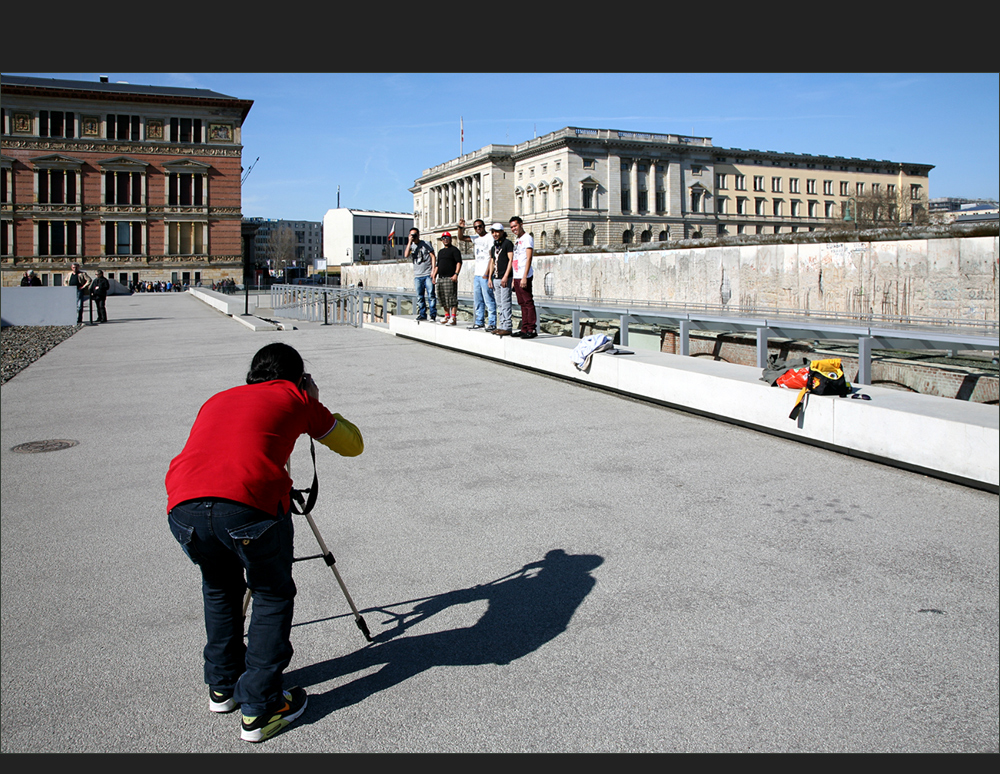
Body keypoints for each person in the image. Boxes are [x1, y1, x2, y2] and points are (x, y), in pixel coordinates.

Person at [165, 342, 364, 743]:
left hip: (183, 506)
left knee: (220, 588)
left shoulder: (217, 398)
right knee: (271, 594)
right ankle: (261, 708)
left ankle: (223, 687)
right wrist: (315, 402)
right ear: (298, 376)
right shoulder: (296, 397)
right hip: (248, 505)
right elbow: (352, 444)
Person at [458, 218, 496, 331]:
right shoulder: (476, 238)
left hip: (485, 274)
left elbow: (492, 258)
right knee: (478, 299)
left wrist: (487, 274)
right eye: (475, 227)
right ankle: (479, 321)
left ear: (484, 226)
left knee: (488, 299)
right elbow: (461, 238)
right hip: (477, 274)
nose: (478, 229)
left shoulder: (489, 238)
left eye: (480, 226)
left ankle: (492, 322)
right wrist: (460, 228)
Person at [509, 216, 537, 338]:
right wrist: (514, 278)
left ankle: (531, 329)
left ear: (521, 224)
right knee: (521, 303)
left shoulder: (527, 238)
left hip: (524, 275)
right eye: (511, 227)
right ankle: (524, 327)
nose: (513, 229)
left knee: (527, 301)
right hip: (517, 275)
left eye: (515, 226)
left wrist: (525, 276)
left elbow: (528, 257)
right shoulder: (517, 240)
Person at [487, 224, 515, 337]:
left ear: (502, 232)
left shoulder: (507, 244)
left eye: (497, 232)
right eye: (493, 232)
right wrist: (490, 277)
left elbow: (511, 260)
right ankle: (502, 325)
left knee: (505, 302)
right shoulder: (494, 247)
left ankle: (507, 326)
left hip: (505, 278)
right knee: (499, 303)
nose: (495, 234)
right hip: (496, 278)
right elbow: (492, 262)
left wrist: (506, 276)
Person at [404, 227, 437, 322]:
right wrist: (409, 241)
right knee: (420, 296)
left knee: (431, 295)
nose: (413, 236)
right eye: (411, 235)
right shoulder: (411, 245)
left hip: (427, 273)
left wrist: (433, 270)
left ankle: (433, 314)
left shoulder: (426, 244)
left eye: (415, 235)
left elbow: (433, 256)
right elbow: (406, 255)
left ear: (418, 235)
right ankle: (422, 314)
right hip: (417, 275)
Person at [433, 232, 462, 325]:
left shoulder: (454, 250)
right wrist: (434, 275)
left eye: (447, 238)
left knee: (451, 298)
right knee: (442, 298)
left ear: (450, 239)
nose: (445, 239)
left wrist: (456, 274)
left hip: (450, 278)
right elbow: (438, 265)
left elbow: (458, 262)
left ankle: (453, 317)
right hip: (441, 278)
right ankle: (447, 315)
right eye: (443, 238)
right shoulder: (440, 252)